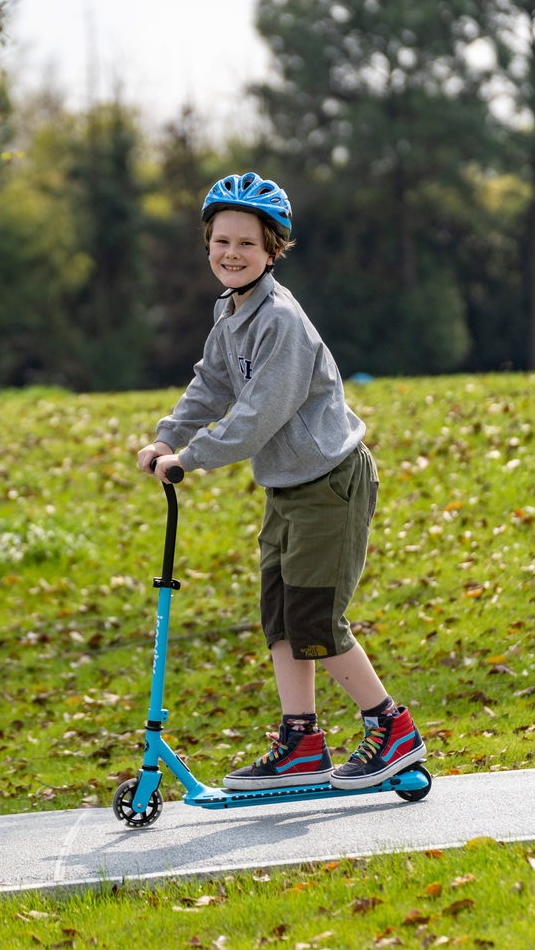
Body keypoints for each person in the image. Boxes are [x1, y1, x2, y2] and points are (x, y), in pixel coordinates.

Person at [136, 172, 425, 791]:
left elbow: (258, 414)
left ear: (273, 251)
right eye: (221, 241)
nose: (231, 254)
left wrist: (194, 457)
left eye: (246, 244)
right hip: (288, 488)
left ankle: (392, 728)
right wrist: (167, 435)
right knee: (281, 619)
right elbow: (211, 384)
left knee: (316, 619)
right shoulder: (231, 312)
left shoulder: (282, 322)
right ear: (208, 244)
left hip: (330, 482)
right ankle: (302, 741)